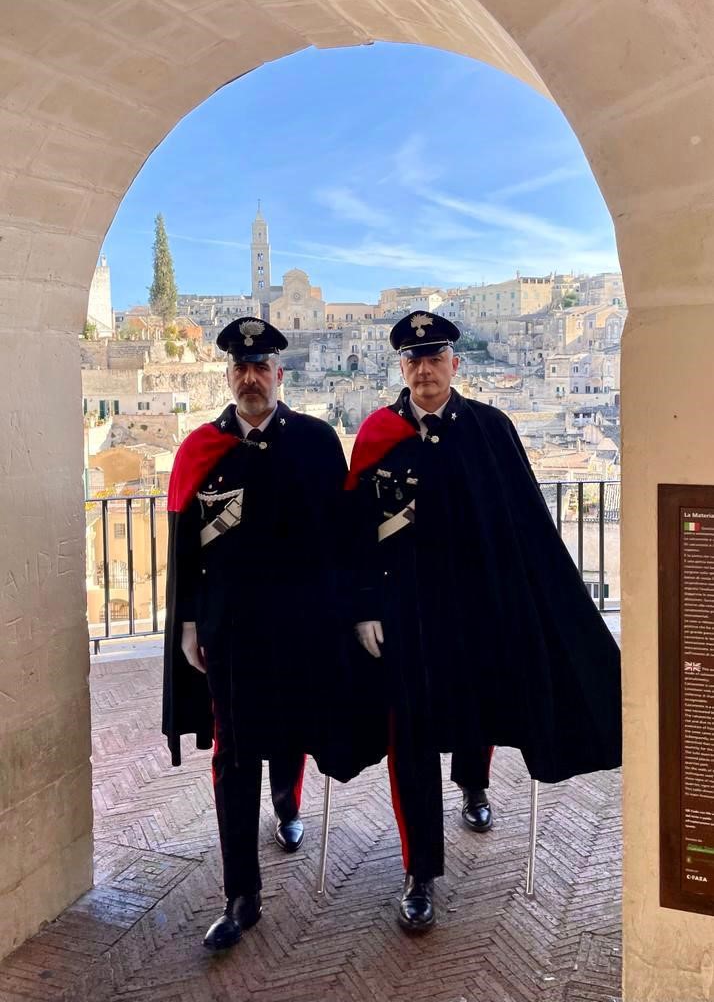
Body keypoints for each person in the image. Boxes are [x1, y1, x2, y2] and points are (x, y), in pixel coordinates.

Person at [346, 311, 621, 933]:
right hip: (405, 615)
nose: (424, 368)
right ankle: (420, 871)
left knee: (479, 709)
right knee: (410, 736)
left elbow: (526, 523)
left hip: (479, 609)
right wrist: (363, 607)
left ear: (455, 364)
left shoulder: (492, 429)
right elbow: (355, 534)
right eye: (413, 359)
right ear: (401, 368)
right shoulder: (377, 436)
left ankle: (473, 786)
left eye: (434, 357)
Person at [162, 317, 354, 952]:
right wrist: (188, 620)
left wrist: (351, 612)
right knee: (234, 751)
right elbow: (186, 547)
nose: (251, 378)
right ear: (228, 376)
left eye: (261, 366)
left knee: (294, 726)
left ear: (280, 374)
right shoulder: (200, 450)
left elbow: (342, 536)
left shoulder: (319, 442)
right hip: (232, 630)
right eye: (240, 368)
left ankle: (290, 806)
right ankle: (240, 894)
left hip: (303, 627)